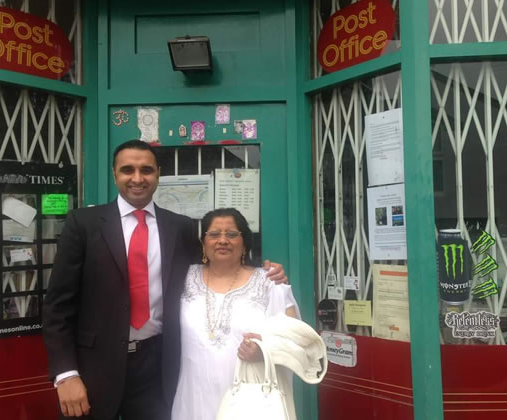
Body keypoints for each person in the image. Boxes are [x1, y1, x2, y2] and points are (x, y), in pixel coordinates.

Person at [42, 140, 286, 420]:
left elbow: (210, 270)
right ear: (114, 174)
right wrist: (65, 374)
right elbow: (57, 307)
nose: (137, 178)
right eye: (127, 170)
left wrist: (261, 273)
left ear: (158, 173)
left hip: (158, 368)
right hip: (94, 369)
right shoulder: (83, 223)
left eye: (146, 170)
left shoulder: (179, 227)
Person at [171, 208, 325, 420]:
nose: (223, 240)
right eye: (214, 234)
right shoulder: (183, 278)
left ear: (244, 243)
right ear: (203, 243)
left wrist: (264, 349)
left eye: (232, 234)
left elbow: (296, 339)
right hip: (193, 397)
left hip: (250, 399)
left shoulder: (269, 283)